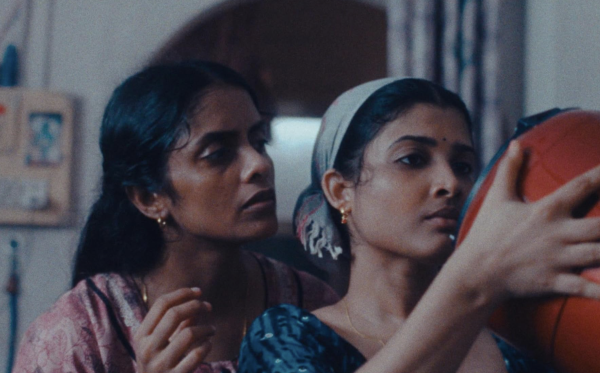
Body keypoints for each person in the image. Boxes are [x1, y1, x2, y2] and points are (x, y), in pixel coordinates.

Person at [238, 78, 600, 373]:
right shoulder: (288, 336)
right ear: (339, 191)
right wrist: (476, 278)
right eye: (412, 159)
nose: (450, 183)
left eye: (462, 165)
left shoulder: (520, 346)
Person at [12, 61, 338, 373]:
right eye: (218, 154)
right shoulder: (78, 334)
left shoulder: (310, 304)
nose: (260, 165)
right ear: (149, 197)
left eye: (260, 141)